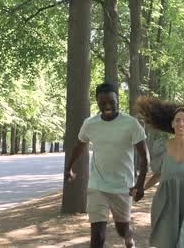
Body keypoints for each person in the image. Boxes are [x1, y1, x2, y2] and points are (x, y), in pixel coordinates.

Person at [64, 82, 149, 248]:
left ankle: (128, 237)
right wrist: (69, 168)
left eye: (112, 102)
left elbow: (144, 156)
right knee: (97, 235)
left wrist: (140, 184)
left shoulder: (131, 124)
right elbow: (79, 145)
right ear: (97, 103)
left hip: (122, 186)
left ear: (118, 100)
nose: (108, 106)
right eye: (103, 103)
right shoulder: (90, 124)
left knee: (121, 228)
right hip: (97, 185)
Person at [136, 96, 184, 248]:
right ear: (172, 124)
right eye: (177, 120)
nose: (181, 123)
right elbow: (158, 175)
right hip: (165, 203)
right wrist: (141, 189)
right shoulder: (162, 147)